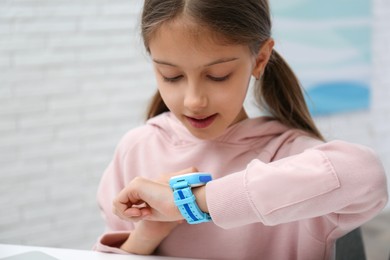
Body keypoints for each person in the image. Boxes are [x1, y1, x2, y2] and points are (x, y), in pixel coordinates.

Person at [94, 0, 388, 259]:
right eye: (171, 76)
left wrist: (191, 203)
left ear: (259, 59)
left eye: (218, 75)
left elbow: (365, 175)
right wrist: (149, 233)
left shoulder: (288, 156)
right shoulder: (137, 148)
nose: (194, 101)